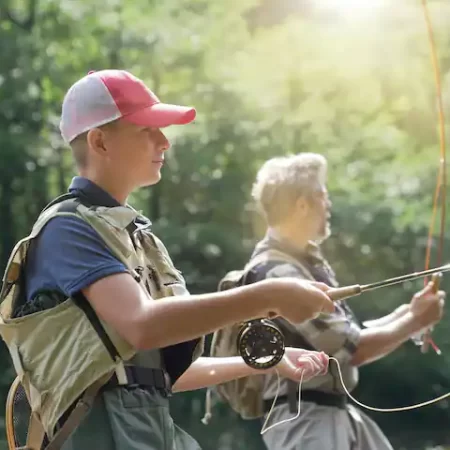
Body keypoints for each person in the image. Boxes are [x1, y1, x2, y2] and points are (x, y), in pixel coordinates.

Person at [0, 71, 335, 450]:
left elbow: (168, 371)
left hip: (150, 430)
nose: (164, 142)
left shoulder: (139, 238)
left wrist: (271, 360)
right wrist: (269, 295)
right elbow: (143, 326)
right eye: (148, 130)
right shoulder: (68, 230)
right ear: (99, 142)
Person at [210, 153, 445, 450]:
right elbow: (352, 348)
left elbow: (350, 334)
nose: (328, 204)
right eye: (323, 194)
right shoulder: (275, 271)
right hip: (304, 421)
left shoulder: (299, 264)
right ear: (302, 204)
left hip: (332, 414)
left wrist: (408, 314)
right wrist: (416, 320)